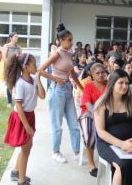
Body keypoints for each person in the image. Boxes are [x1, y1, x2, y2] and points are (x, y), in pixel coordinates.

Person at [94, 69, 132, 185]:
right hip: (108, 144)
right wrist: (122, 144)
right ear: (112, 84)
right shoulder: (102, 103)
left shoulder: (130, 101)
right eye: (121, 83)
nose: (125, 86)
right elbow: (100, 131)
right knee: (124, 165)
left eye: (126, 83)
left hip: (131, 143)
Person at [39, 25, 83, 163]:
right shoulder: (56, 53)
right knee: (57, 125)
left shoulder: (69, 53)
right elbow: (40, 70)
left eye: (72, 40)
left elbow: (72, 74)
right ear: (61, 40)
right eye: (69, 40)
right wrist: (56, 79)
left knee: (74, 124)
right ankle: (56, 151)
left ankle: (77, 151)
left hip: (68, 89)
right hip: (57, 90)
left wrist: (82, 88)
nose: (71, 43)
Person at [4, 53, 46, 185]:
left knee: (27, 147)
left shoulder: (33, 79)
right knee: (26, 149)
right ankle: (21, 180)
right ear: (25, 67)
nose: (36, 66)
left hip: (29, 116)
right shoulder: (20, 83)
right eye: (34, 64)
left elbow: (42, 96)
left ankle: (16, 171)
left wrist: (38, 78)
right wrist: (27, 126)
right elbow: (18, 106)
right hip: (22, 117)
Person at [80, 63, 107, 177]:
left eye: (102, 72)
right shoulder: (89, 86)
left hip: (106, 113)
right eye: (97, 73)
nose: (101, 75)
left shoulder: (109, 84)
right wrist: (97, 114)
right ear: (92, 74)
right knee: (89, 131)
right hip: (90, 113)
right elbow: (87, 104)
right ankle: (91, 164)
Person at [2, 32, 22, 108]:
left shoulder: (19, 47)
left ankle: (18, 101)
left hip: (17, 69)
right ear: (11, 38)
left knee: (18, 84)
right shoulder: (6, 46)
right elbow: (4, 57)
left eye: (17, 36)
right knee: (9, 85)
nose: (17, 38)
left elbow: (20, 58)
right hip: (9, 69)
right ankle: (9, 102)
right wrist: (9, 66)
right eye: (15, 37)